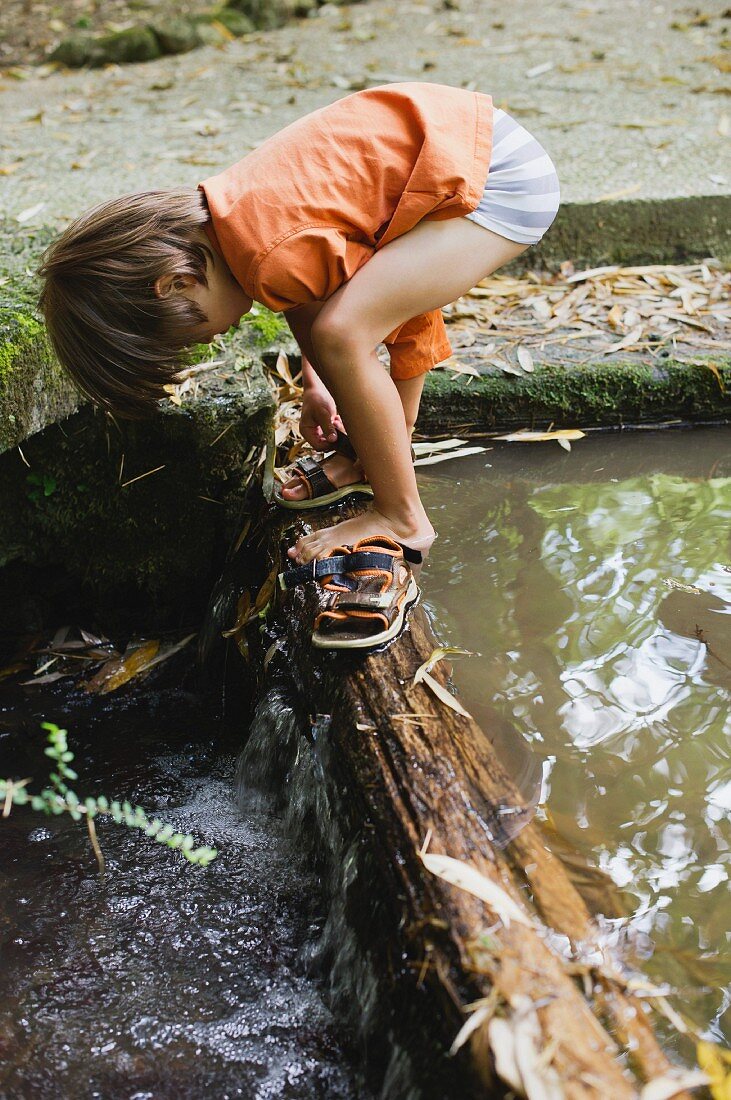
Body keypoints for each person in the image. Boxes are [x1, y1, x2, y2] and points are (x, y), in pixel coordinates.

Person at [39, 83, 559, 644]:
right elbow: (312, 296)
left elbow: (402, 318)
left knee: (344, 332)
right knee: (341, 332)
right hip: (464, 144)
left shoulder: (268, 247)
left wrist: (394, 439)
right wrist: (322, 386)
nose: (214, 337)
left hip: (500, 180)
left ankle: (404, 517)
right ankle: (371, 464)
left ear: (177, 284)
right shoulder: (236, 223)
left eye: (193, 333)